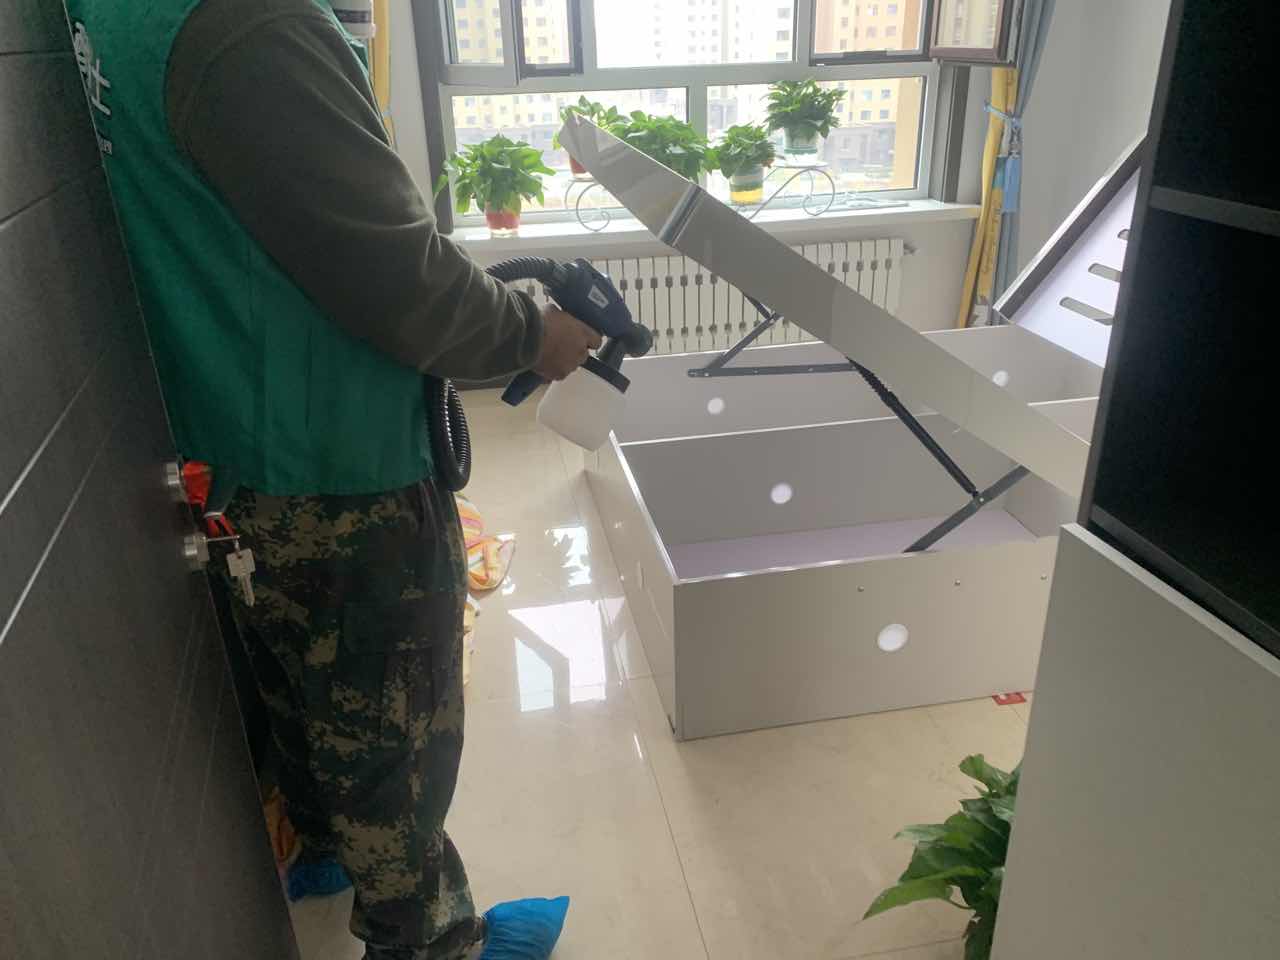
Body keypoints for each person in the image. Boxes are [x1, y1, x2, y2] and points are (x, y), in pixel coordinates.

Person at [63, 0, 601, 957]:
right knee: (392, 728)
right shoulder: (255, 26)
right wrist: (535, 334)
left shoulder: (109, 12)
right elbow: (401, 278)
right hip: (339, 461)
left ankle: (324, 850)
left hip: (230, 441)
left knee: (302, 680)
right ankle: (429, 941)